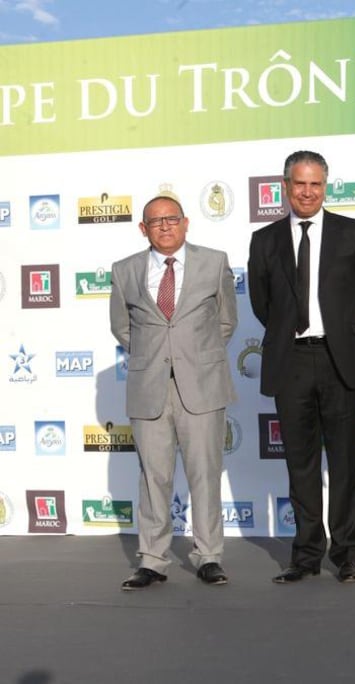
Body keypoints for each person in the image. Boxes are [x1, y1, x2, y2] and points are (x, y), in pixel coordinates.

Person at [248, 150, 355, 584]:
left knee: (345, 462)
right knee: (300, 463)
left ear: (326, 186)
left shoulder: (353, 233)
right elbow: (262, 304)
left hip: (340, 359)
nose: (308, 192)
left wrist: (341, 331)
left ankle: (347, 555)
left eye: (316, 184)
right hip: (291, 361)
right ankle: (305, 555)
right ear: (285, 186)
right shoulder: (264, 240)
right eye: (299, 184)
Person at [110, 195, 237, 590]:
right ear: (142, 228)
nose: (164, 226)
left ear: (185, 223)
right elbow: (122, 327)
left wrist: (192, 358)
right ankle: (152, 559)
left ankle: (209, 555)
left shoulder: (214, 262)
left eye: (171, 219)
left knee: (205, 474)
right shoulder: (125, 270)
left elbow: (226, 321)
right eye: (155, 221)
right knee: (154, 477)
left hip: (201, 385)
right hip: (149, 388)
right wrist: (157, 359)